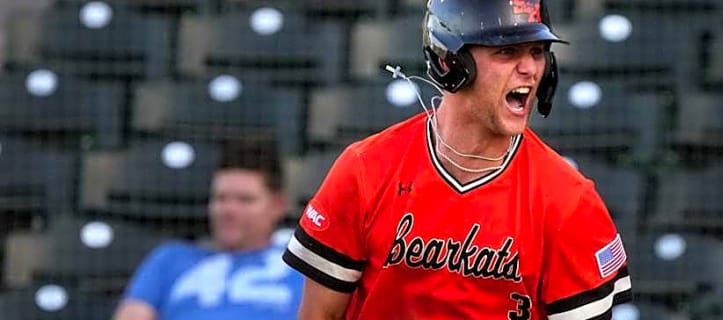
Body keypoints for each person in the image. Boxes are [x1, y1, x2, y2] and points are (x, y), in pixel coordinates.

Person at [282, 0, 632, 319]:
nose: (530, 68)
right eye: (507, 51)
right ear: (451, 61)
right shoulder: (366, 169)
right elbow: (319, 314)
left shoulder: (570, 201)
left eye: (538, 51)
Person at [113, 139, 303, 320]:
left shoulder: (300, 268)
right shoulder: (170, 260)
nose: (228, 210)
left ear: (278, 205)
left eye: (245, 200)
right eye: (220, 198)